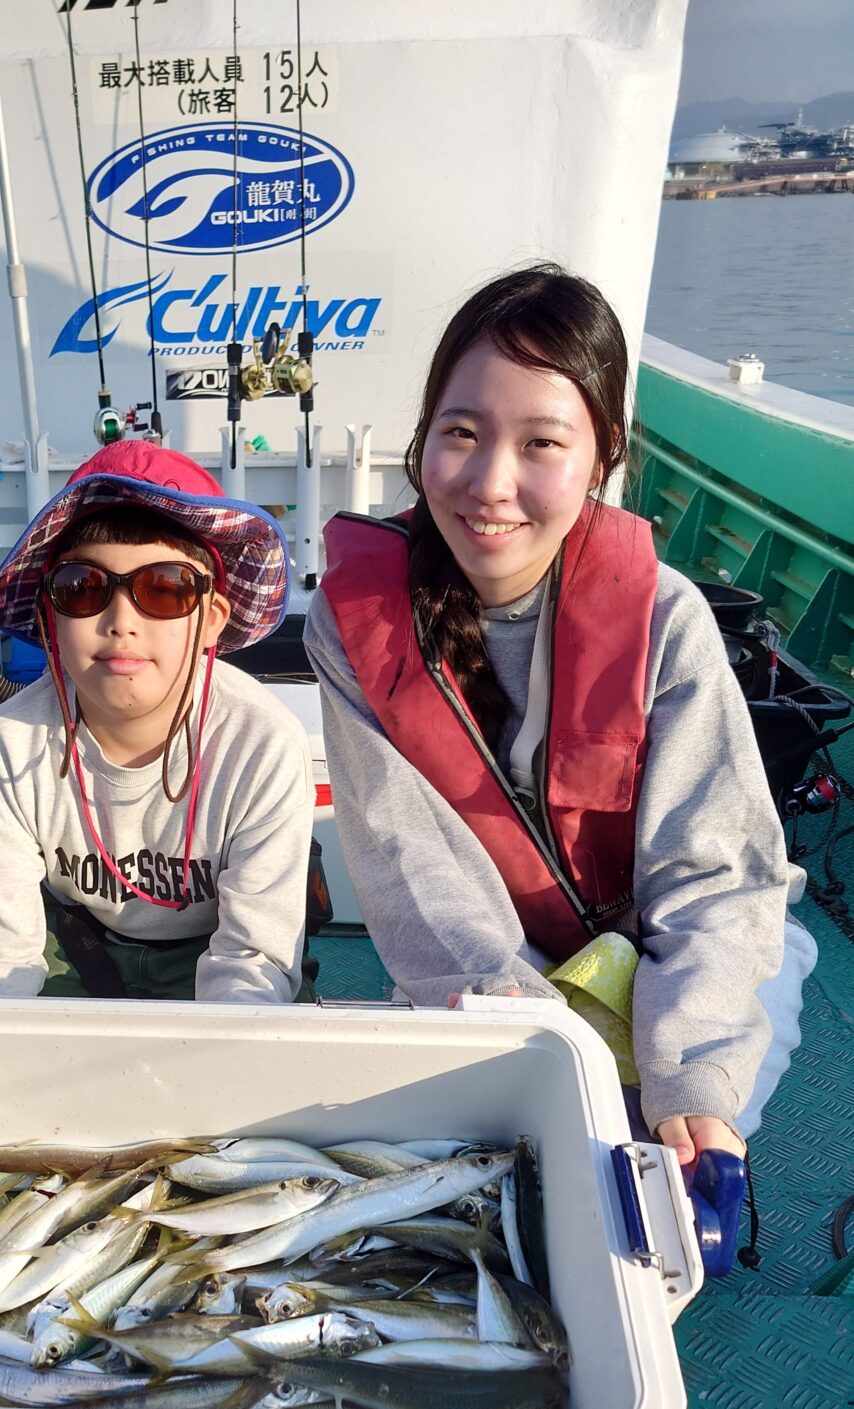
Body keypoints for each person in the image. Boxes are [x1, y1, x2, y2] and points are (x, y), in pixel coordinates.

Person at [305, 264, 815, 1174]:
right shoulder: (353, 624)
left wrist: (691, 1081)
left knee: (681, 1131)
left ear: (602, 455)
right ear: (425, 436)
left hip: (681, 948)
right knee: (526, 1143)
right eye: (461, 433)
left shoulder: (665, 619)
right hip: (493, 957)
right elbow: (408, 861)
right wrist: (525, 1029)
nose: (490, 485)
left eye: (541, 443)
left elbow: (714, 880)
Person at [0, 439, 314, 1003]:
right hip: (75, 938)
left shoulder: (262, 744)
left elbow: (253, 957)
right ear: (50, 617)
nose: (121, 621)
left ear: (212, 619)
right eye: (82, 588)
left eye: (165, 589)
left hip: (219, 942)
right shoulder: (7, 748)